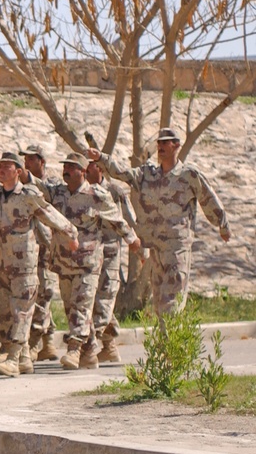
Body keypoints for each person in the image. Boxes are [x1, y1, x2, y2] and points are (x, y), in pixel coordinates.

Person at [0, 152, 78, 377]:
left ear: (17, 171)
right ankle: (25, 355)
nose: (1, 169)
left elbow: (50, 214)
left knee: (22, 309)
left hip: (24, 264)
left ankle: (13, 358)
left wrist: (70, 233)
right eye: (0, 165)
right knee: (7, 310)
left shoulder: (28, 195)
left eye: (6, 166)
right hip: (1, 264)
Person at [86, 128, 231, 315]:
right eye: (159, 143)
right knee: (159, 303)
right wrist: (101, 158)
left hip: (177, 248)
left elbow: (209, 198)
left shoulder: (188, 175)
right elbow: (122, 173)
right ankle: (166, 344)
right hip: (156, 249)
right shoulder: (147, 174)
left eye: (165, 142)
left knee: (172, 303)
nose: (161, 146)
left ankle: (170, 342)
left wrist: (223, 224)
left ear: (176, 145)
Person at [30, 153, 140, 369]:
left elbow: (117, 219)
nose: (66, 171)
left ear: (82, 171)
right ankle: (89, 352)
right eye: (65, 166)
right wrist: (24, 174)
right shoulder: (58, 193)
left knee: (82, 307)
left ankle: (74, 349)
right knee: (72, 308)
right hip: (63, 263)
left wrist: (132, 240)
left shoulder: (96, 195)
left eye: (71, 167)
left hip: (88, 264)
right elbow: (40, 186)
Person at [86, 157, 138, 362]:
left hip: (110, 250)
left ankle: (91, 341)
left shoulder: (115, 191)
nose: (85, 172)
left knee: (104, 296)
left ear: (99, 169)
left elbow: (129, 217)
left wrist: (136, 242)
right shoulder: (85, 190)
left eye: (88, 168)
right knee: (94, 297)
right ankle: (110, 346)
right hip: (90, 251)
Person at [15, 144, 62, 361]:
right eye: (25, 159)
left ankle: (36, 342)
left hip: (48, 246)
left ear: (41, 162)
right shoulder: (20, 188)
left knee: (45, 292)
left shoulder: (52, 184)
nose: (27, 163)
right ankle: (48, 341)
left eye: (31, 159)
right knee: (37, 293)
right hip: (30, 248)